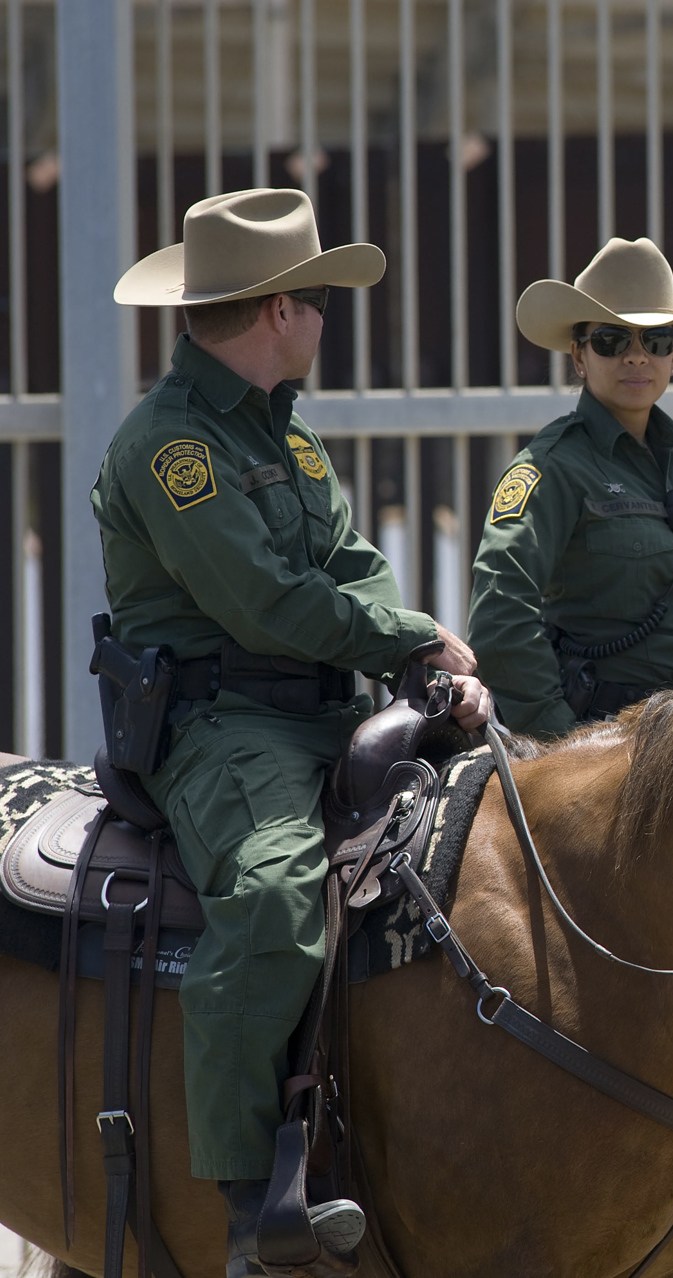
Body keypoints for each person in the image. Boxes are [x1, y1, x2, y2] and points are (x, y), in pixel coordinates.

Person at [97, 187, 492, 1275]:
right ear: (279, 309)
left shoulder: (288, 429)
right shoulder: (169, 447)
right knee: (275, 898)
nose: (326, 317)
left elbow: (350, 564)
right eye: (319, 298)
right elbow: (265, 600)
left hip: (328, 710)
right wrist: (415, 635)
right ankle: (248, 1215)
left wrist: (421, 665)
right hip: (224, 729)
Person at [468, 238, 673, 736]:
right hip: (608, 741)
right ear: (579, 356)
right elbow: (500, 614)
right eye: (612, 340)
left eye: (657, 340)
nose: (637, 357)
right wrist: (561, 743)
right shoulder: (552, 468)